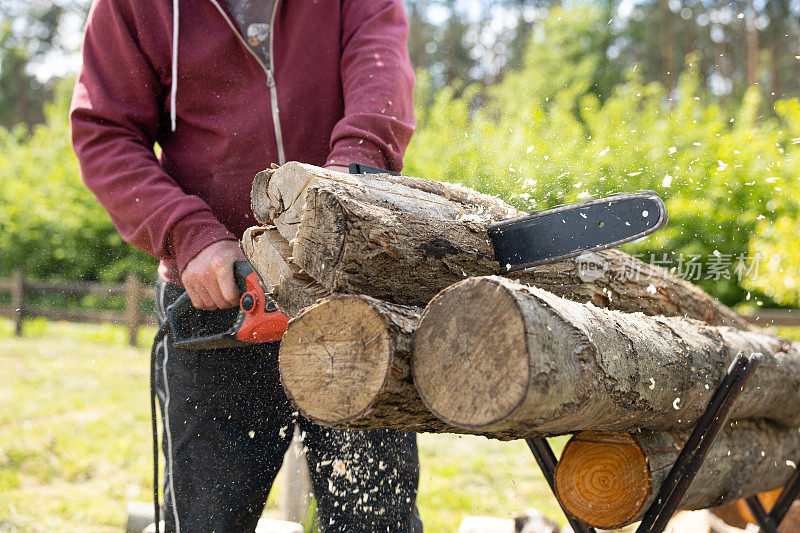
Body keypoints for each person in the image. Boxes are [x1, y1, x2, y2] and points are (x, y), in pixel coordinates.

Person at [69, 1, 421, 531]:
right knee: (207, 521)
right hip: (219, 303)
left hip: (350, 297)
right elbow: (106, 134)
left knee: (376, 519)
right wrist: (191, 236)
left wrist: (339, 199)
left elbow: (380, 86)